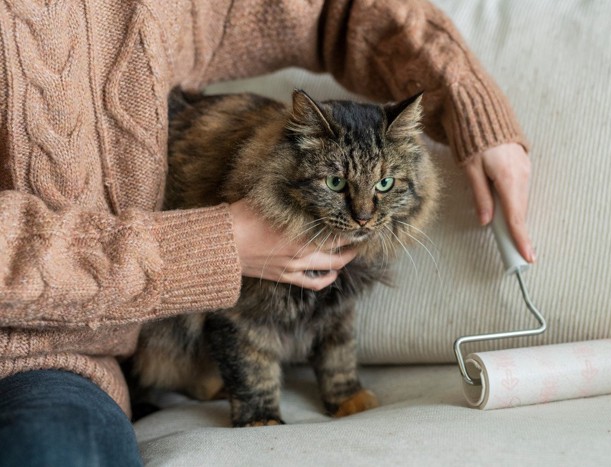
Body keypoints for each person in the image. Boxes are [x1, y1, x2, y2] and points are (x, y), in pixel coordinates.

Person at [0, 0, 533, 465]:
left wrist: (466, 102)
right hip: (27, 348)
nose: (365, 211)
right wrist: (212, 248)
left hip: (62, 371)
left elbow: (334, 11)